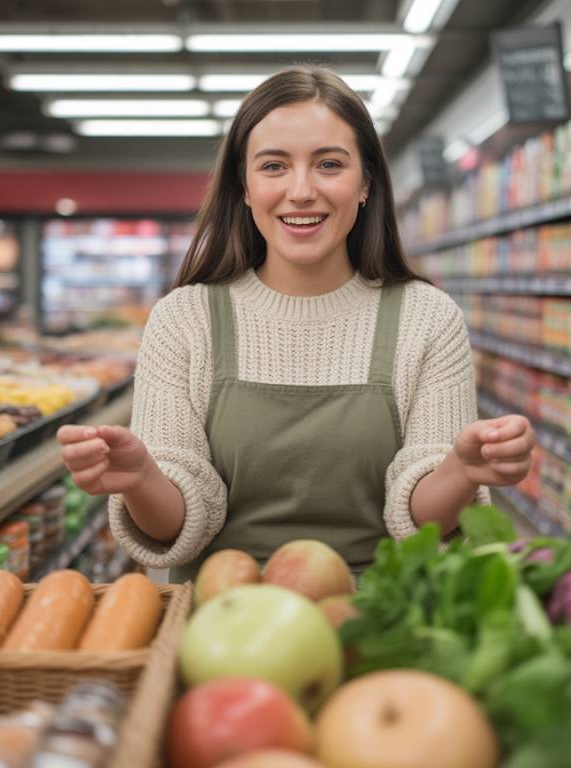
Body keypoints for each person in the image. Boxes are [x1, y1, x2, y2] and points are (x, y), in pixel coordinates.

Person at [58, 67, 535, 582]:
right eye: (274, 166)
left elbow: (421, 521)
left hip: (382, 619)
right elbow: (178, 526)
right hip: (222, 620)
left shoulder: (427, 318)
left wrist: (461, 471)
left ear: (365, 184)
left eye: (329, 164)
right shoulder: (184, 319)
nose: (301, 190)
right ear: (244, 187)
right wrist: (141, 479)